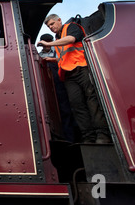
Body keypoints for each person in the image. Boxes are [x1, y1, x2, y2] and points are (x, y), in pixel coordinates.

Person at [38, 14, 111, 144]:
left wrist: (49, 43)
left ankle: (103, 135)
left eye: (52, 24)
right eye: (48, 26)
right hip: (68, 75)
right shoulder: (58, 38)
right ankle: (88, 137)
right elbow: (66, 56)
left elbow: (71, 40)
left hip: (82, 69)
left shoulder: (72, 27)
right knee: (77, 105)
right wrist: (54, 60)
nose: (51, 27)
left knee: (92, 102)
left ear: (59, 20)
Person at [38, 33, 79, 142]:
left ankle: (71, 138)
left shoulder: (58, 52)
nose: (47, 44)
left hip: (61, 82)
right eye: (45, 42)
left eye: (49, 41)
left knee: (67, 109)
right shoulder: (38, 56)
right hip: (48, 87)